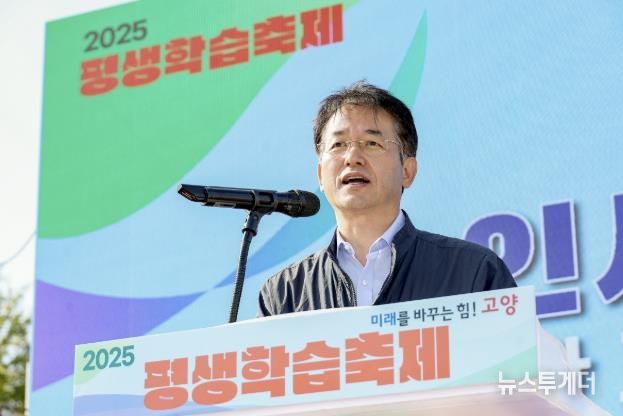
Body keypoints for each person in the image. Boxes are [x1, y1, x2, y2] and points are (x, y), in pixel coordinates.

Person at [257, 81, 516, 317]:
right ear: (320, 176)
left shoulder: (474, 272)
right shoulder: (284, 295)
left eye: (372, 143)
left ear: (407, 171)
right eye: (338, 145)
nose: (352, 157)